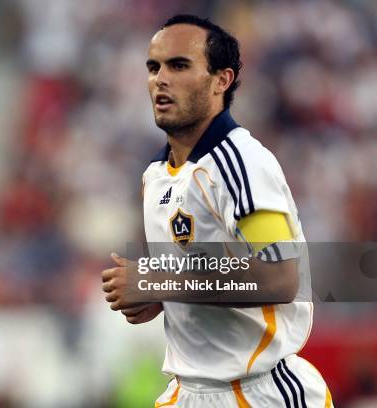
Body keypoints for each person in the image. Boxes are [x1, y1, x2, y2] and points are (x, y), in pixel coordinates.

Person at [101, 14, 333, 407]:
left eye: (179, 65)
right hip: (187, 392)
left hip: (259, 392)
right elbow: (195, 278)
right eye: (154, 67)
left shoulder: (241, 162)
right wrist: (156, 298)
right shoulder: (156, 175)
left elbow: (279, 275)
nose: (161, 79)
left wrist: (160, 283)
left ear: (221, 80)